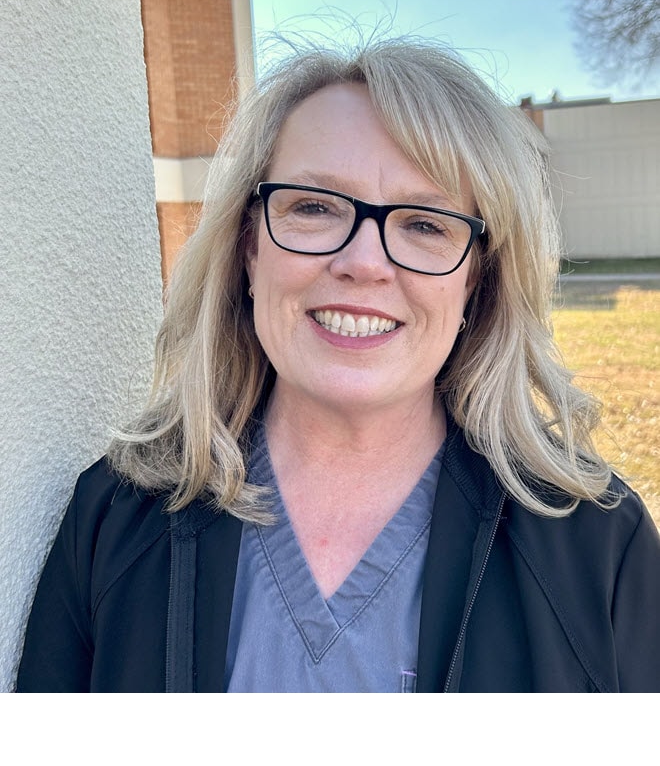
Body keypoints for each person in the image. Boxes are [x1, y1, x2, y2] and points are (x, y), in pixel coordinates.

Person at [16, 35, 660, 693]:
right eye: (315, 207)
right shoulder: (114, 519)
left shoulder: (599, 546)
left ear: (475, 280)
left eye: (426, 223)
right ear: (249, 249)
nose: (363, 262)